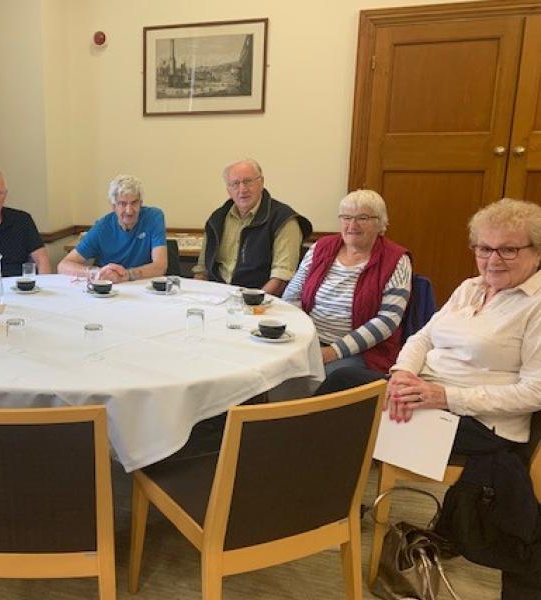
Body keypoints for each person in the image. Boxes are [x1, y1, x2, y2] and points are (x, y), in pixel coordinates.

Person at [319, 198, 541, 599]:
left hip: (480, 424)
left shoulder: (536, 305)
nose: (493, 259)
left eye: (509, 249)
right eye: (484, 248)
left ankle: (321, 503)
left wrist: (444, 396)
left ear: (536, 251)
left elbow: (534, 392)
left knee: (341, 411)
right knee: (343, 382)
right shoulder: (471, 288)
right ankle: (330, 497)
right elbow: (421, 337)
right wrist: (402, 374)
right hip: (425, 395)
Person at [282, 190, 411, 375]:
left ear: (380, 222)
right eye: (346, 217)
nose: (352, 225)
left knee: (329, 379)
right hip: (309, 339)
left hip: (362, 351)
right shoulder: (321, 247)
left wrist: (334, 351)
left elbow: (387, 320)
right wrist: (301, 337)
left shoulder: (396, 259)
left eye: (363, 218)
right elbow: (292, 294)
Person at [193, 159, 312, 296]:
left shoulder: (284, 220)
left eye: (248, 181)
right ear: (228, 190)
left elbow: (280, 279)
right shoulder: (217, 219)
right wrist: (200, 299)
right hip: (217, 299)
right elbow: (202, 271)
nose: (242, 189)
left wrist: (251, 302)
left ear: (261, 183)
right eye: (235, 184)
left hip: (260, 302)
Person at [57, 174, 167, 282]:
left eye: (134, 203)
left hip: (143, 286)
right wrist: (99, 273)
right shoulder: (102, 227)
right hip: (109, 288)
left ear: (141, 203)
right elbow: (63, 265)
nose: (129, 211)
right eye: (122, 204)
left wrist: (126, 275)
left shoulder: (154, 217)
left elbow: (160, 266)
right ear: (114, 206)